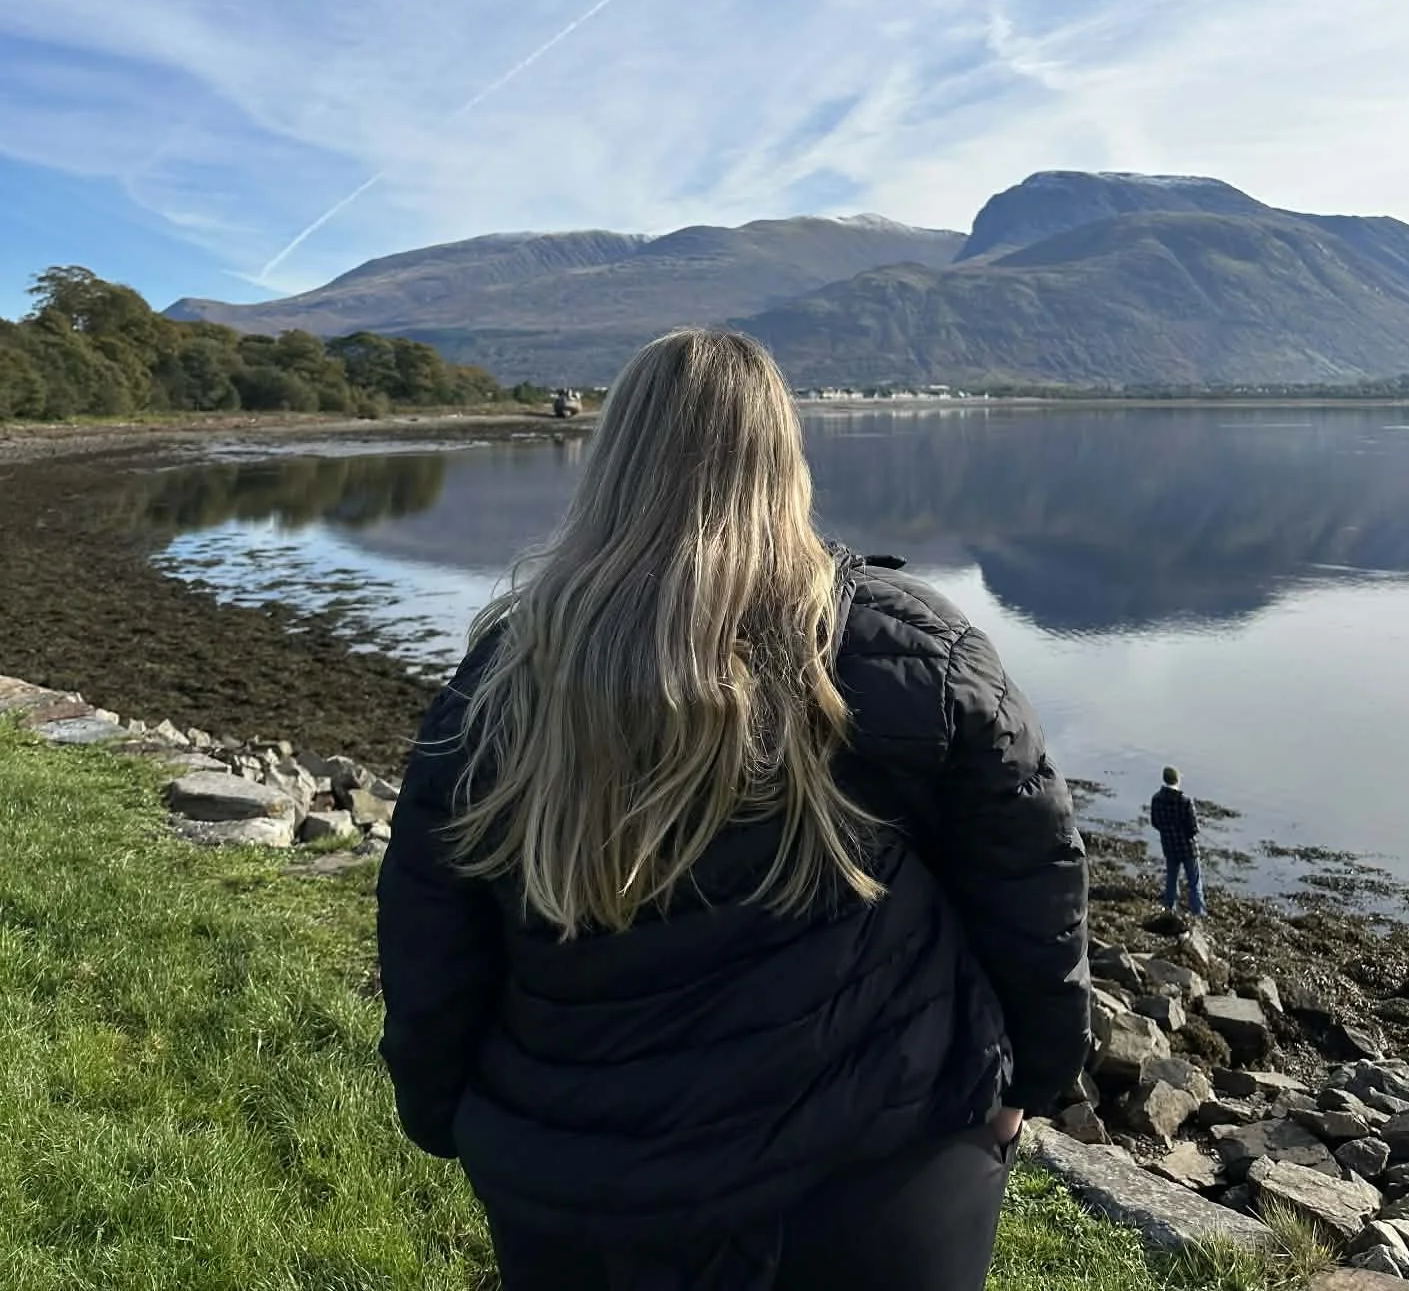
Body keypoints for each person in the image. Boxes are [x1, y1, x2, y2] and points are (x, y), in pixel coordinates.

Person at [376, 327, 1089, 1291]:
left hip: (579, 1187)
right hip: (883, 1176)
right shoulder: (910, 652)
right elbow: (1030, 892)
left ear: (613, 460)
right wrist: (1033, 1085)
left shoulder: (506, 678)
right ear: (783, 459)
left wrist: (440, 1109)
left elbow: (430, 923)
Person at [1149, 765, 1205, 917]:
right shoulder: (1185, 801)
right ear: (1177, 780)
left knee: (1172, 880)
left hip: (1169, 846)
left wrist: (1168, 831)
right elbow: (1193, 828)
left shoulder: (1156, 799)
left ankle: (1169, 908)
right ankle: (1198, 912)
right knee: (1194, 883)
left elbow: (1155, 822)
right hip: (1187, 848)